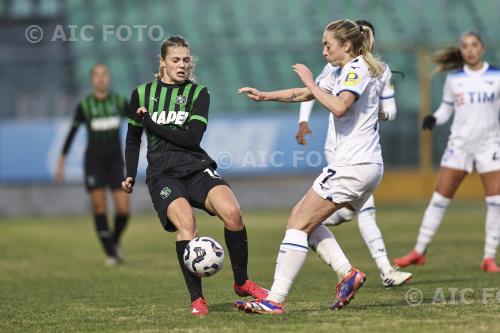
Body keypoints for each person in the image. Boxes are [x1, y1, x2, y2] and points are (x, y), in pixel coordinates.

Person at [236, 19, 385, 314]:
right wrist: (266, 95)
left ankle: (274, 299)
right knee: (305, 221)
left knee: (297, 225)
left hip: (353, 164)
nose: (323, 50)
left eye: (327, 44)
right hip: (363, 166)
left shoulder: (355, 69)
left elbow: (340, 105)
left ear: (347, 46)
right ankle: (347, 274)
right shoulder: (343, 71)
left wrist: (311, 82)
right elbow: (303, 94)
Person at [121, 35, 268, 315]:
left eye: (186, 60)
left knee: (233, 214)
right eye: (175, 60)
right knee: (186, 225)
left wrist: (150, 121)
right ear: (162, 62)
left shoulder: (199, 93)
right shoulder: (141, 94)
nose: (182, 65)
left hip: (196, 167)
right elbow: (132, 139)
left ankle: (242, 282)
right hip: (163, 175)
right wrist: (129, 173)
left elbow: (191, 139)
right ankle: (197, 300)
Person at [296, 20, 412, 287]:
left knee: (346, 213)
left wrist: (376, 112)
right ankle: (385, 270)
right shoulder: (335, 66)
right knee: (366, 210)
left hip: (362, 152)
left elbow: (390, 109)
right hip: (340, 150)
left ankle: (312, 228)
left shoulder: (380, 71)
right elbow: (310, 93)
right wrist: (303, 120)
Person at [394, 32, 500, 272]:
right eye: (465, 46)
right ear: (461, 51)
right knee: (440, 199)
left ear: (482, 48)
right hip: (459, 145)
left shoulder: (496, 76)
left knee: (496, 202)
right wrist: (434, 118)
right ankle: (419, 251)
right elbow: (446, 109)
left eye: (474, 45)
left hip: (490, 145)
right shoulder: (454, 79)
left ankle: (489, 257)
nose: (470, 50)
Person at [55, 63, 130, 266]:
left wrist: (138, 143)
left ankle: (113, 242)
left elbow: (137, 123)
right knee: (99, 206)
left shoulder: (120, 102)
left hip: (115, 161)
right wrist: (61, 162)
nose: (101, 78)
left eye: (104, 74)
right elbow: (71, 134)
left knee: (123, 209)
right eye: (97, 75)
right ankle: (111, 254)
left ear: (109, 78)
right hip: (94, 162)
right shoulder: (85, 105)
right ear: (92, 79)